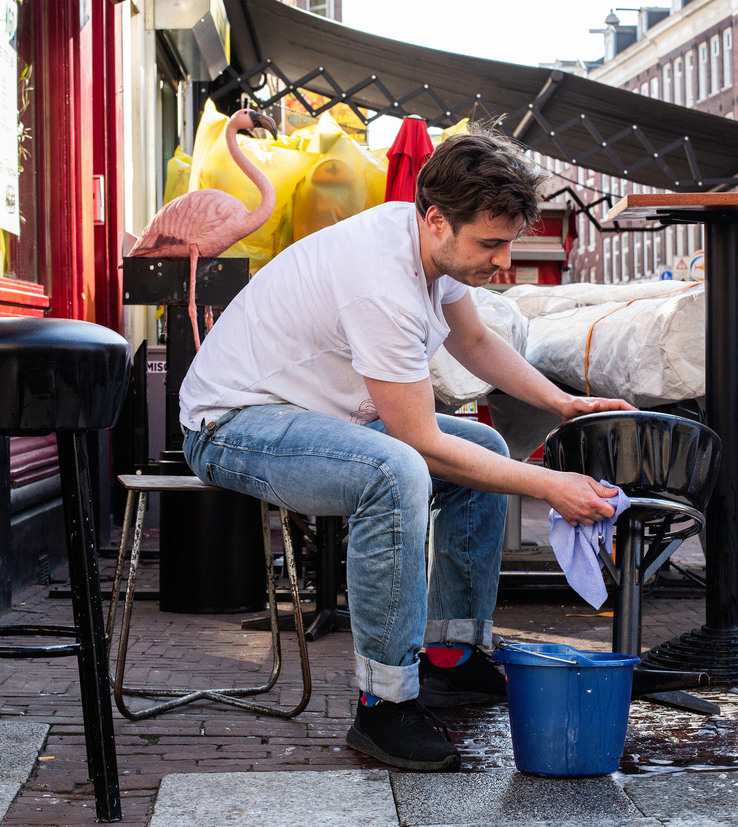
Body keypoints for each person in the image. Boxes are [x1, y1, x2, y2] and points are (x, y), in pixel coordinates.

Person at [178, 130, 634, 772]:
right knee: (394, 475)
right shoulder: (381, 283)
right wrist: (549, 486)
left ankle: (451, 655)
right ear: (438, 220)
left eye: (508, 243)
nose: (503, 262)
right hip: (231, 424)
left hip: (309, 417)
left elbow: (474, 341)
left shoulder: (428, 247)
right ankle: (383, 705)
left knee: (483, 445)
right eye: (491, 244)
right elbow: (421, 446)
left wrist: (562, 403)